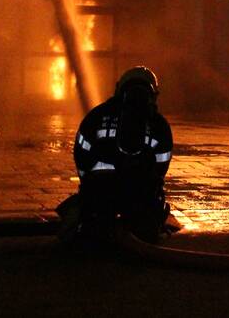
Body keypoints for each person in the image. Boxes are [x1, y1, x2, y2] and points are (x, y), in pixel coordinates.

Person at [59, 66, 174, 244]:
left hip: (99, 193)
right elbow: (161, 169)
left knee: (88, 233)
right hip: (140, 196)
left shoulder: (95, 117)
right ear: (153, 95)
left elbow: (81, 157)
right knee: (148, 230)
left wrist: (87, 184)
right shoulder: (159, 126)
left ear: (118, 88)